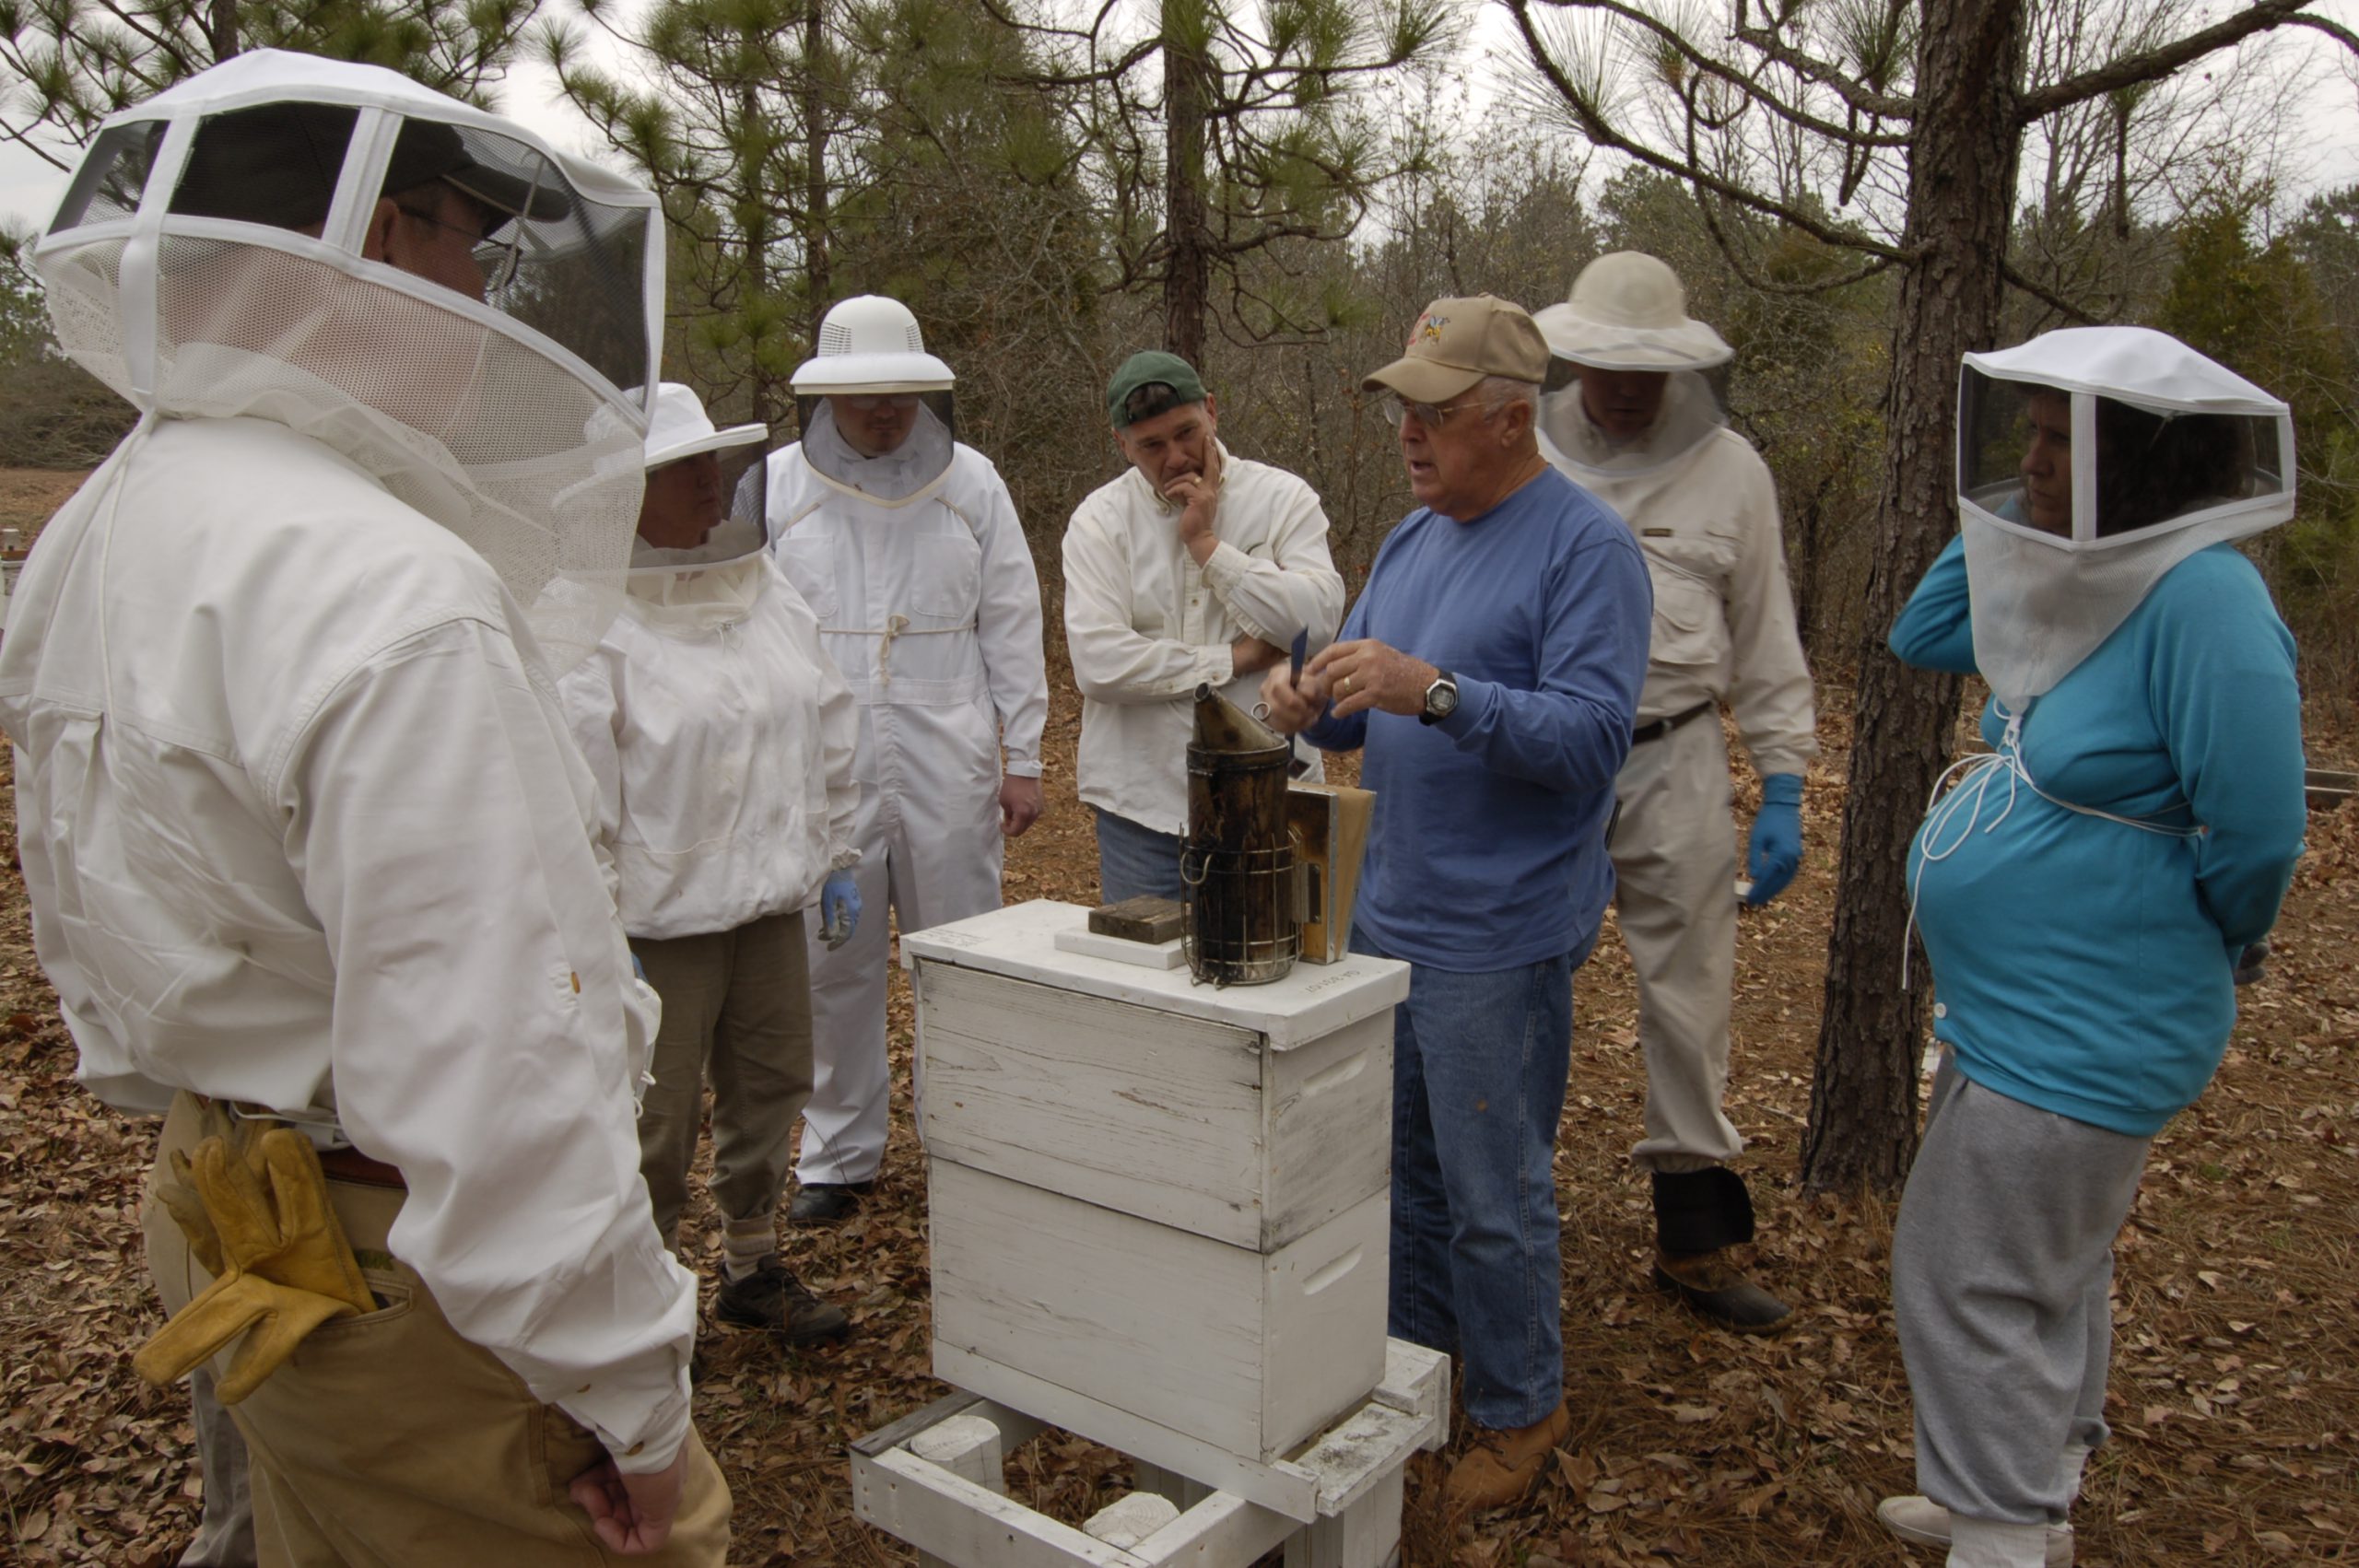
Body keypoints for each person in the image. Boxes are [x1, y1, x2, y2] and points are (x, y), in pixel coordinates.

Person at [0, 51, 727, 1563]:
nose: (485, 290)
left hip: (231, 1206)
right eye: (471, 241)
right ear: (381, 241)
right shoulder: (391, 592)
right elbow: (502, 1078)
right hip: (424, 1286)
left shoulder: (105, 524)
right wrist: (640, 1416)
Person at [1879, 326, 2306, 1568]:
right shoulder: (2080, 581)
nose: (2033, 456)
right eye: (2031, 433)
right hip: (2018, 1011)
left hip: (2093, 1018)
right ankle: (2038, 1483)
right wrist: (2012, 518)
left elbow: (2261, 831)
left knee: (1966, 1272)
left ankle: (2001, 1534)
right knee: (2053, 1258)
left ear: (2142, 466)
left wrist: (2214, 938)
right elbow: (1924, 627)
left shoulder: (2206, 596)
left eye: (2063, 441)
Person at [1259, 295, 1651, 1512]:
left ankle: (1522, 1407)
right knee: (1405, 1176)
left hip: (1500, 932)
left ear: (1509, 417)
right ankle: (1415, 1379)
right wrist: (1303, 698)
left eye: (1433, 414)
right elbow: (1350, 696)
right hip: (1391, 914)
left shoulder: (1586, 548)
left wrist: (1437, 693)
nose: (1408, 436)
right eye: (1401, 413)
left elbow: (1591, 738)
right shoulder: (1413, 539)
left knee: (1494, 1192)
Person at [1533, 252, 1816, 1331]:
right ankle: (1498, 1201)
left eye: (1644, 369)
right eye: (1605, 365)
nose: (1622, 387)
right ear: (1574, 358)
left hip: (1677, 751)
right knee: (1520, 969)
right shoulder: (1527, 450)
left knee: (1690, 991)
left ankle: (1696, 1238)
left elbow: (1766, 632)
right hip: (1548, 750)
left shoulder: (1733, 469)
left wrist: (1783, 777)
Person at [559, 383, 861, 1344]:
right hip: (656, 926)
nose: (709, 485)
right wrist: (602, 929)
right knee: (652, 1122)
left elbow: (826, 719)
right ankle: (639, 1307)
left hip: (767, 901)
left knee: (772, 1081)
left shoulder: (762, 588)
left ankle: (750, 1262)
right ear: (624, 496)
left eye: (710, 464)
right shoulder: (589, 622)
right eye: (682, 469)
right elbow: (574, 798)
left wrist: (838, 849)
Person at [766, 296, 1050, 1225]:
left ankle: (970, 1139)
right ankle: (837, 1156)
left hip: (947, 750)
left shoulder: (972, 483)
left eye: (899, 395)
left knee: (960, 950)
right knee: (830, 955)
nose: (884, 413)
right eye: (865, 397)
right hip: (824, 757)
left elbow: (1010, 617)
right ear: (828, 396)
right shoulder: (776, 487)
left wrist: (1025, 754)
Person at [1063, 350, 1344, 899]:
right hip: (1144, 812)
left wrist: (1207, 548)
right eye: (1151, 445)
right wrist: (1232, 659)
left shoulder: (1283, 499)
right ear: (1121, 444)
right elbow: (1099, 665)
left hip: (1273, 798)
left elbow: (1316, 619)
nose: (1175, 457)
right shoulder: (1099, 522)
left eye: (1186, 432)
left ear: (1211, 411)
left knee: (1280, 977)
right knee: (1145, 981)